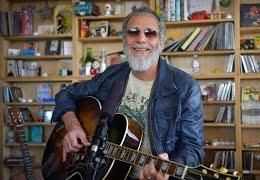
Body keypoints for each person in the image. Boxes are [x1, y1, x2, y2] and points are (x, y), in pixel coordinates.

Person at [51, 6, 204, 180]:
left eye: (150, 33)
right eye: (133, 32)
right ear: (125, 40)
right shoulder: (111, 75)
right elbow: (66, 94)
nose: (141, 39)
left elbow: (192, 149)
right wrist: (73, 126)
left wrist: (165, 173)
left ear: (161, 42)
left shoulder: (185, 86)